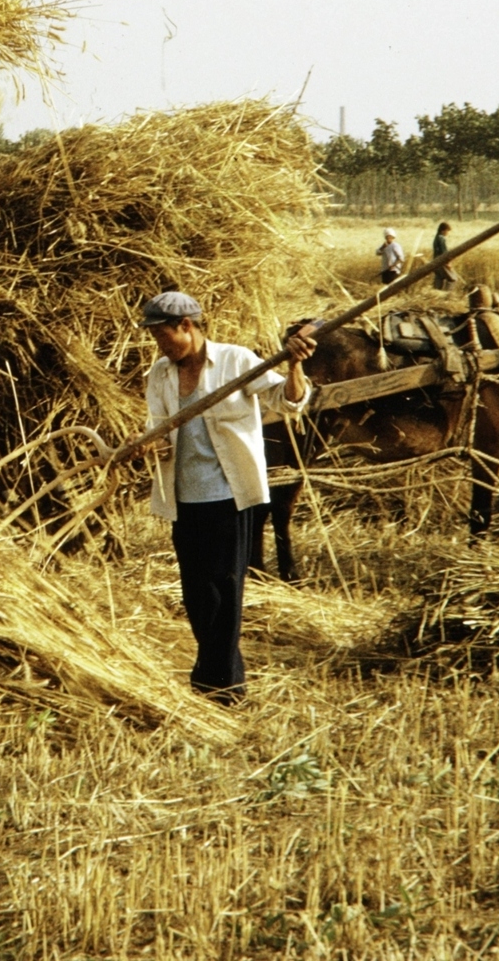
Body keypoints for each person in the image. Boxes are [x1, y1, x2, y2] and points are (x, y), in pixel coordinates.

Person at [140, 291, 315, 702]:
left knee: (225, 591)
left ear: (187, 326)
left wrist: (294, 366)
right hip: (182, 499)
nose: (159, 346)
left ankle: (221, 689)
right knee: (196, 596)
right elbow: (161, 435)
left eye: (162, 335)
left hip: (228, 496)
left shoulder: (237, 361)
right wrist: (148, 444)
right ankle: (217, 679)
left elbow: (290, 403)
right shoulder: (159, 375)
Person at [431, 222, 454, 291]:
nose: (448, 233)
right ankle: (447, 294)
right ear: (443, 230)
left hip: (436, 261)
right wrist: (448, 263)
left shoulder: (436, 238)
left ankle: (436, 293)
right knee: (452, 279)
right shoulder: (441, 239)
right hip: (441, 262)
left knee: (439, 278)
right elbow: (443, 252)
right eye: (447, 231)